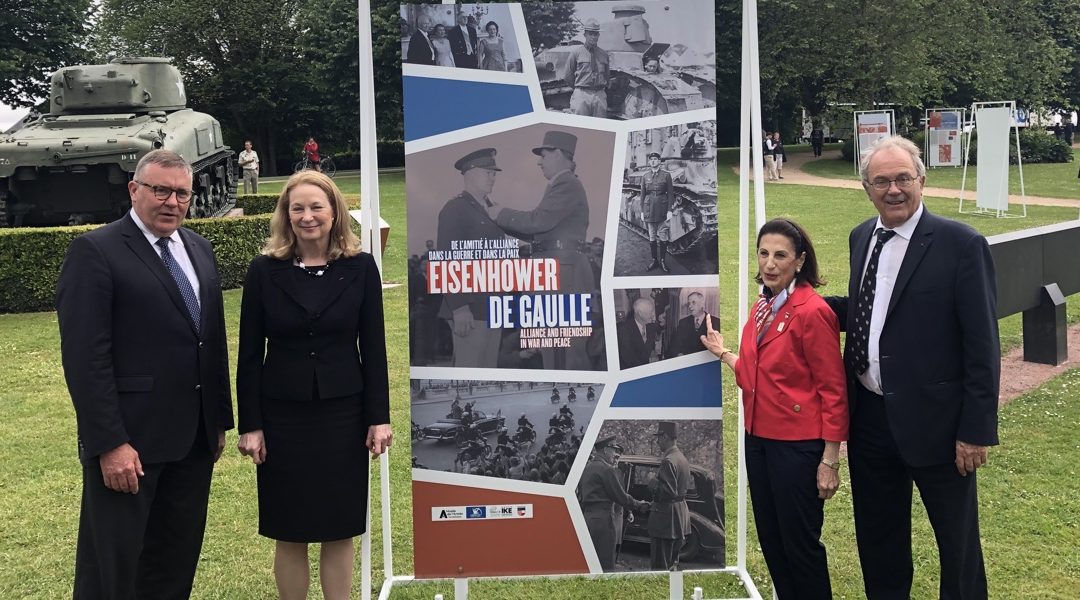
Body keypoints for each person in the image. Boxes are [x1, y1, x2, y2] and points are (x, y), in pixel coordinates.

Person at [827, 136, 999, 599]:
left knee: (957, 544)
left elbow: (983, 344)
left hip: (939, 425)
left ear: (922, 180)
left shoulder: (961, 244)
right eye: (881, 181)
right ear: (867, 189)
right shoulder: (862, 236)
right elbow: (869, 307)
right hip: (870, 418)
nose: (894, 189)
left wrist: (975, 429)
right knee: (879, 539)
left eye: (903, 178)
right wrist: (803, 307)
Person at [56, 149, 233, 598]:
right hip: (130, 445)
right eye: (160, 190)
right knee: (111, 570)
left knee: (173, 562)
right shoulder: (96, 251)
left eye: (181, 193)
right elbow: (85, 358)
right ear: (134, 190)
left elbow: (209, 341)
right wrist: (109, 443)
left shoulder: (199, 248)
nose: (172, 201)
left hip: (193, 442)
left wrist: (217, 421)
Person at [235, 170, 392, 600]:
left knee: (339, 527)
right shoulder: (264, 271)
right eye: (297, 208)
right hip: (282, 417)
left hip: (343, 414)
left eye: (316, 206)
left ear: (334, 212)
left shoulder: (360, 268)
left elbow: (373, 348)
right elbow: (249, 355)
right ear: (286, 215)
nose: (307, 216)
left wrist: (378, 418)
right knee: (290, 529)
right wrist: (251, 424)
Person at [701, 217, 847, 599]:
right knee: (773, 542)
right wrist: (725, 353)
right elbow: (755, 373)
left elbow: (833, 390)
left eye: (780, 255)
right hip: (759, 441)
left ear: (799, 261)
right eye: (763, 254)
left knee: (800, 547)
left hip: (797, 448)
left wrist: (830, 459)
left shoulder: (813, 312)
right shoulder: (762, 306)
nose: (769, 263)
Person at [486, 131, 592, 369]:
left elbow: (538, 221)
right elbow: (539, 231)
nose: (539, 161)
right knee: (554, 347)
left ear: (560, 155)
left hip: (562, 271)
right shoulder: (562, 184)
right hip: (558, 268)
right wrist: (500, 218)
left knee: (564, 348)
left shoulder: (567, 183)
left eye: (544, 155)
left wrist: (500, 213)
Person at [435, 148, 506, 367]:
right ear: (471, 173)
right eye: (489, 172)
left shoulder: (493, 209)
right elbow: (446, 260)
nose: (493, 178)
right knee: (470, 369)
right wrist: (459, 307)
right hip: (470, 308)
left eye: (494, 173)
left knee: (489, 368)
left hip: (491, 305)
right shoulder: (455, 208)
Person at [578, 435, 649, 570]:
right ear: (605, 450)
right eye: (613, 450)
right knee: (605, 562)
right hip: (604, 520)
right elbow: (620, 497)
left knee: (589, 561)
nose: (615, 454)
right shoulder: (607, 469)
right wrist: (639, 505)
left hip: (587, 518)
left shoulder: (587, 468)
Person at [647, 421, 691, 571]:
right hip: (678, 517)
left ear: (665, 436)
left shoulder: (668, 461)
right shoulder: (681, 458)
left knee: (660, 567)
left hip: (665, 521)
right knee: (672, 565)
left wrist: (652, 482)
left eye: (659, 437)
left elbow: (667, 492)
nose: (658, 441)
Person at [562, 19, 610, 117]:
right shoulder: (576, 53)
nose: (593, 37)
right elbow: (568, 76)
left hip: (599, 95)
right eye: (590, 34)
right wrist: (580, 89)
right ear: (585, 35)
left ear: (599, 35)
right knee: (580, 126)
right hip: (582, 95)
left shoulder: (604, 54)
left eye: (596, 34)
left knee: (600, 127)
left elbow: (607, 75)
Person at [640, 151, 673, 272]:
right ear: (649, 162)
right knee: (652, 236)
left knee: (663, 236)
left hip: (662, 209)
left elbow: (670, 194)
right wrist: (642, 211)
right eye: (651, 159)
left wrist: (669, 210)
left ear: (659, 162)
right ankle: (654, 260)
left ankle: (663, 260)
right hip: (649, 209)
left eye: (655, 159)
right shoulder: (645, 176)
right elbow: (642, 195)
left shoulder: (666, 175)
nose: (653, 161)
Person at [669, 291, 719, 357]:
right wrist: (679, 354)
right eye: (689, 303)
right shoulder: (683, 322)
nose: (690, 306)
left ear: (702, 303)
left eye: (693, 302)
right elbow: (675, 345)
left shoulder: (716, 322)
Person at [617, 297, 657, 368]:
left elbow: (651, 344)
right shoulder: (624, 329)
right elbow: (628, 358)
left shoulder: (651, 326)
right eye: (650, 312)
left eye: (653, 312)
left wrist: (653, 352)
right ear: (640, 314)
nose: (653, 315)